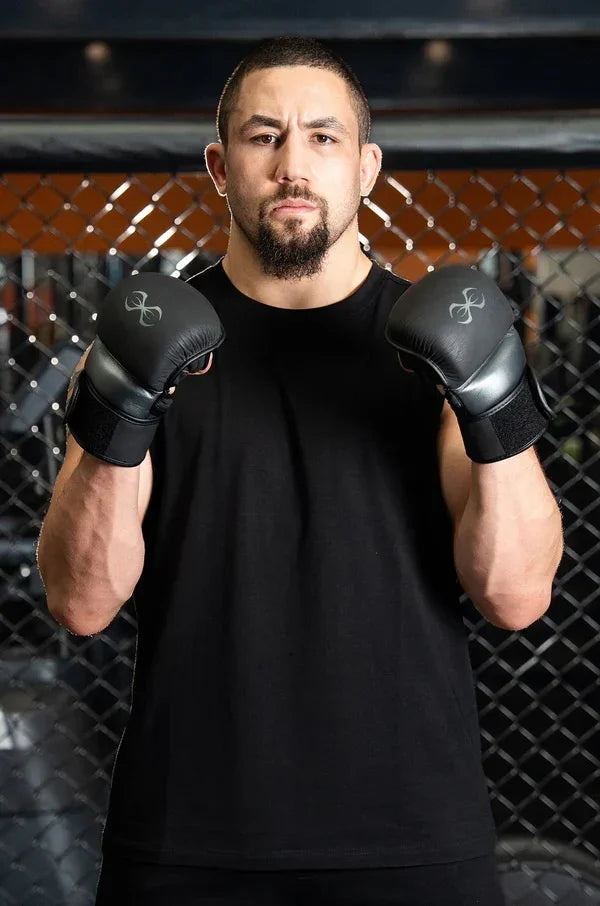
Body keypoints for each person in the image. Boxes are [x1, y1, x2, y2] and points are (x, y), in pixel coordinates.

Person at [37, 36, 563, 906]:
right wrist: (120, 404)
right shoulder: (150, 346)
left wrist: (492, 401)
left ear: (366, 166)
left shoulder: (442, 348)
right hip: (187, 838)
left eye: (323, 137)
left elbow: (515, 597)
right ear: (220, 165)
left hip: (412, 836)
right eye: (262, 136)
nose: (292, 165)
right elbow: (82, 601)